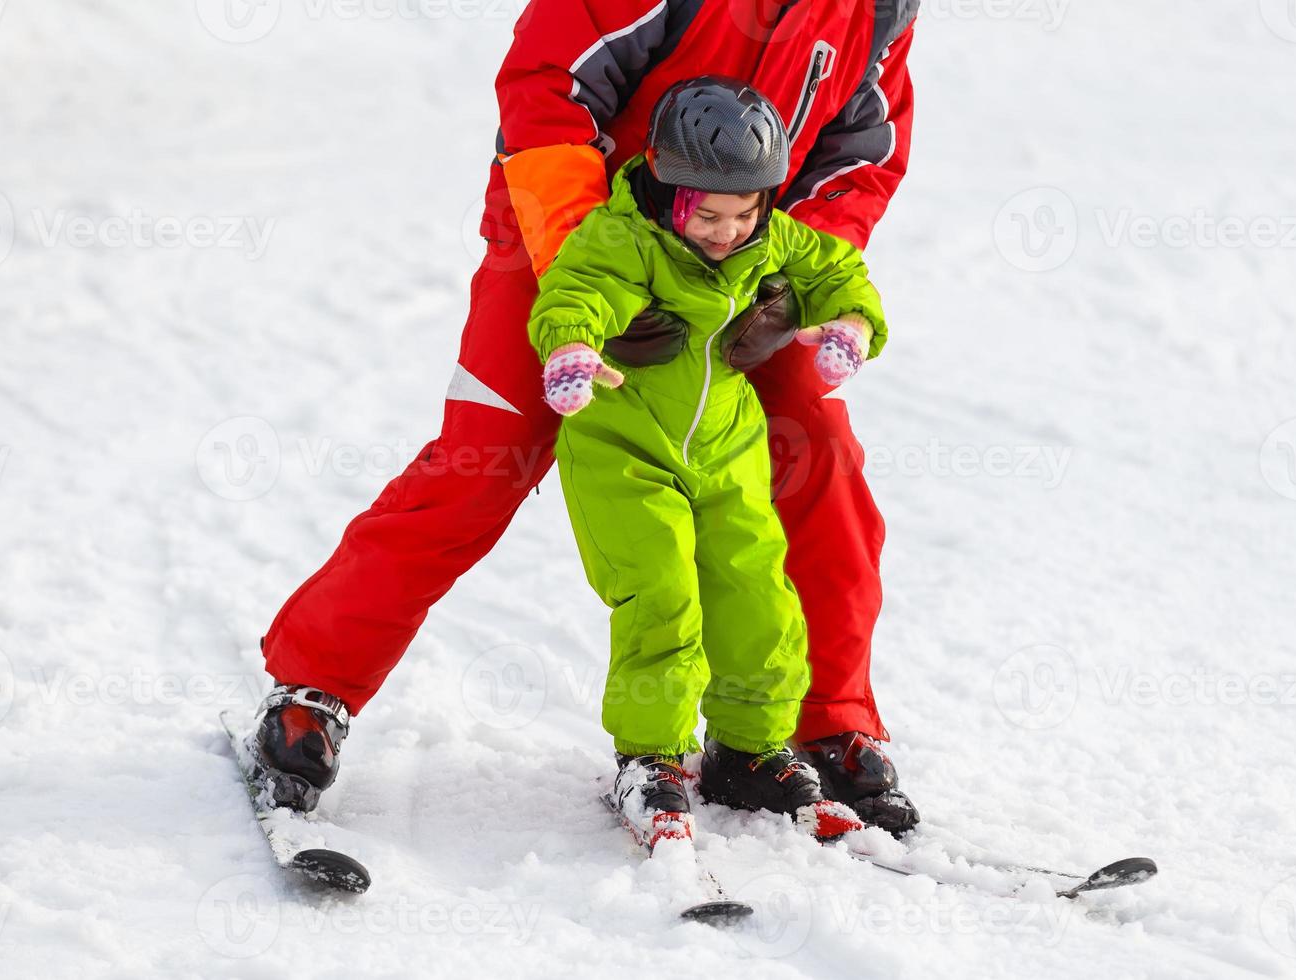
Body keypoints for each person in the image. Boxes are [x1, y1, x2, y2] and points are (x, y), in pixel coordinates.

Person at [250, 0, 922, 834]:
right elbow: (547, 87)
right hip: (566, 244)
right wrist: (596, 276)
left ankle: (823, 721)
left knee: (817, 454)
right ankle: (315, 684)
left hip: (737, 265)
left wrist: (780, 280)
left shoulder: (881, 10)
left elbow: (860, 158)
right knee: (481, 463)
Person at [533, 76, 883, 844]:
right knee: (662, 591)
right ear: (665, 181)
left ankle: (750, 752)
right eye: (710, 215)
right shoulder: (619, 240)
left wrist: (851, 324)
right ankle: (650, 757)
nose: (728, 233)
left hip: (727, 450)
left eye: (743, 212)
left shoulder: (770, 236)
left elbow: (836, 270)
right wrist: (570, 348)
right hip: (624, 451)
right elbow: (577, 290)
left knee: (757, 595)